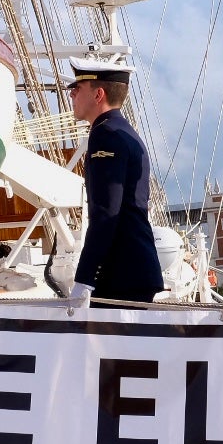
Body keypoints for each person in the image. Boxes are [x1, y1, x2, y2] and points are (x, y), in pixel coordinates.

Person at [65, 58, 163, 307]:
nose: (72, 94)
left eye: (78, 88)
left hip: (120, 277)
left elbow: (106, 213)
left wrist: (85, 279)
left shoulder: (106, 136)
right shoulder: (123, 131)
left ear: (98, 94)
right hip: (130, 271)